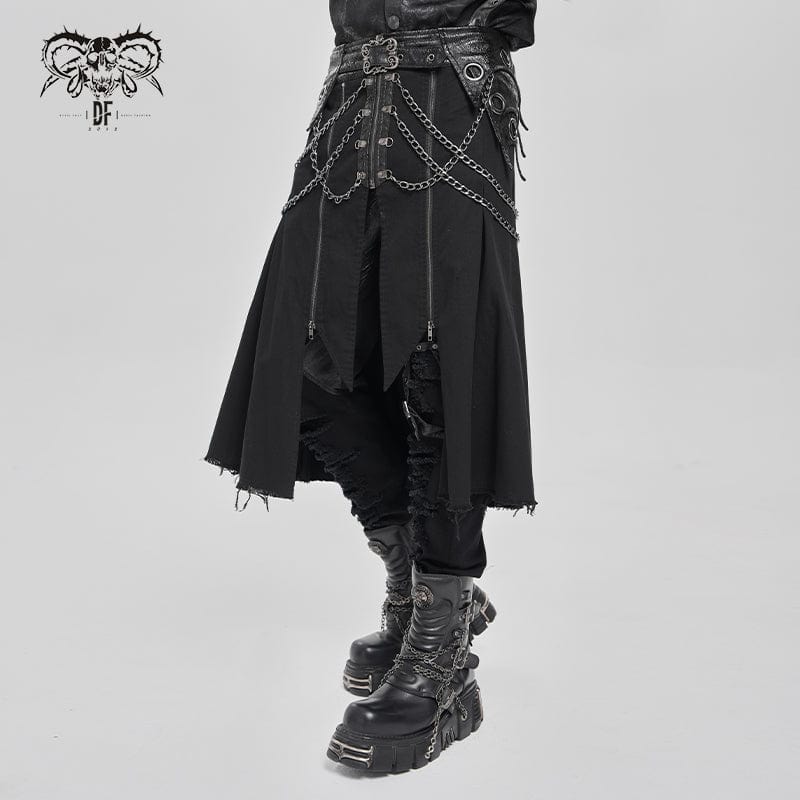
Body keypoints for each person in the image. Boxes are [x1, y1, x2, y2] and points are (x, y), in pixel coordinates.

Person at [204, 0, 538, 773]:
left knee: (439, 362)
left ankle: (440, 641)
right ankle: (416, 589)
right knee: (306, 356)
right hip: (351, 100)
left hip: (453, 93)